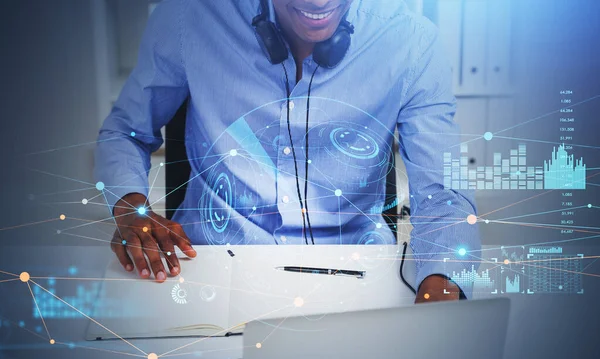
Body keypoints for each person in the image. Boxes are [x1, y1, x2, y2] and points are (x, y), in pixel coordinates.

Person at [95, 0, 480, 303]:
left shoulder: (412, 41)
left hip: (355, 275)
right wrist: (131, 211)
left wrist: (442, 291)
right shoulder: (187, 18)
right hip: (206, 272)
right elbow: (125, 132)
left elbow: (443, 192)